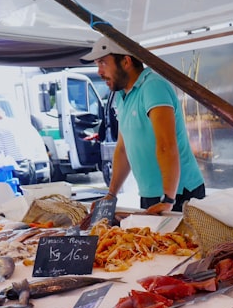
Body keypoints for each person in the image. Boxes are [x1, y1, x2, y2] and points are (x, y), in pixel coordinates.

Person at [82, 36, 205, 213]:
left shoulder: (153, 86)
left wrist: (169, 198)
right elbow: (124, 149)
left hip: (179, 193)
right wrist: (111, 194)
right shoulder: (121, 95)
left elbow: (166, 144)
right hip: (151, 194)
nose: (99, 72)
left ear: (126, 61)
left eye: (102, 63)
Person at [0, 106, 50, 184]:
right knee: (30, 191)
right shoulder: (17, 122)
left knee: (19, 193)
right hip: (30, 163)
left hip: (18, 165)